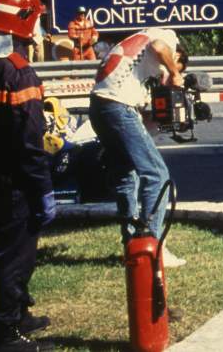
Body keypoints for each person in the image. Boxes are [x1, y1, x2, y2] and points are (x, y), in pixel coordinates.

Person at [0, 0, 55, 352]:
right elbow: (30, 142)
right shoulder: (19, 72)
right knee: (15, 253)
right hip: (17, 179)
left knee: (12, 248)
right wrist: (43, 188)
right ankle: (8, 333)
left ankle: (20, 311)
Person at [89, 27, 188, 266]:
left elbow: (140, 122)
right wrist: (175, 74)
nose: (164, 73)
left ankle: (131, 247)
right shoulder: (167, 38)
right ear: (177, 55)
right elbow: (159, 47)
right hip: (118, 106)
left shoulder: (135, 49)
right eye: (175, 65)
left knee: (125, 175)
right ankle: (151, 249)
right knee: (157, 174)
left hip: (99, 105)